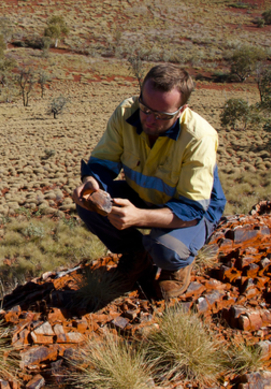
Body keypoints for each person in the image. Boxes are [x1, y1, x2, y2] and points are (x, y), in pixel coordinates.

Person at [71, 64, 226, 300]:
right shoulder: (127, 112)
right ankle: (137, 255)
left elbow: (192, 209)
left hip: (192, 210)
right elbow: (103, 161)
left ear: (182, 109)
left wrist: (139, 217)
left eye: (162, 115)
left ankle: (177, 266)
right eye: (145, 108)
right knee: (88, 204)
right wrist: (91, 180)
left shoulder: (199, 137)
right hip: (144, 195)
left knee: (166, 250)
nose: (150, 120)